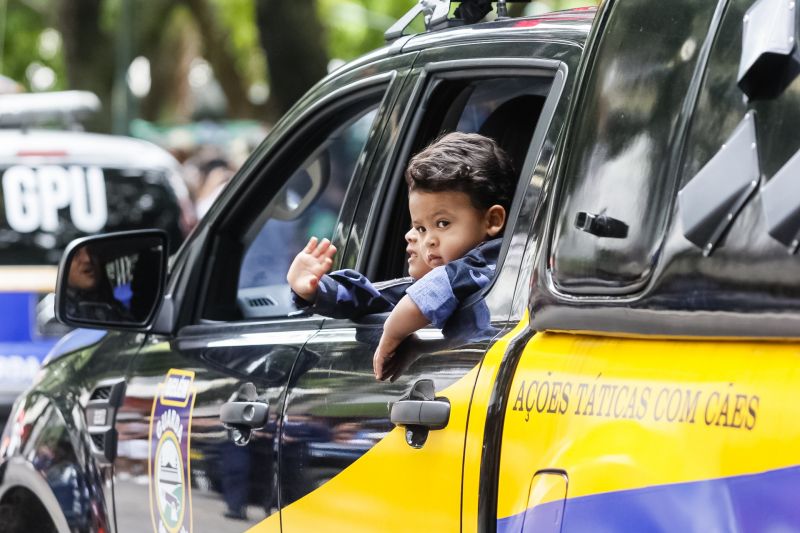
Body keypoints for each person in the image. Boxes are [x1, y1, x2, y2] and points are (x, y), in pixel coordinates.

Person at [287, 132, 514, 380]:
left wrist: (393, 333)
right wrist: (317, 290)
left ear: (493, 220)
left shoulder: (502, 261)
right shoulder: (430, 285)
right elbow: (377, 297)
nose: (426, 239)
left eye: (442, 223)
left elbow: (442, 285)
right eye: (420, 228)